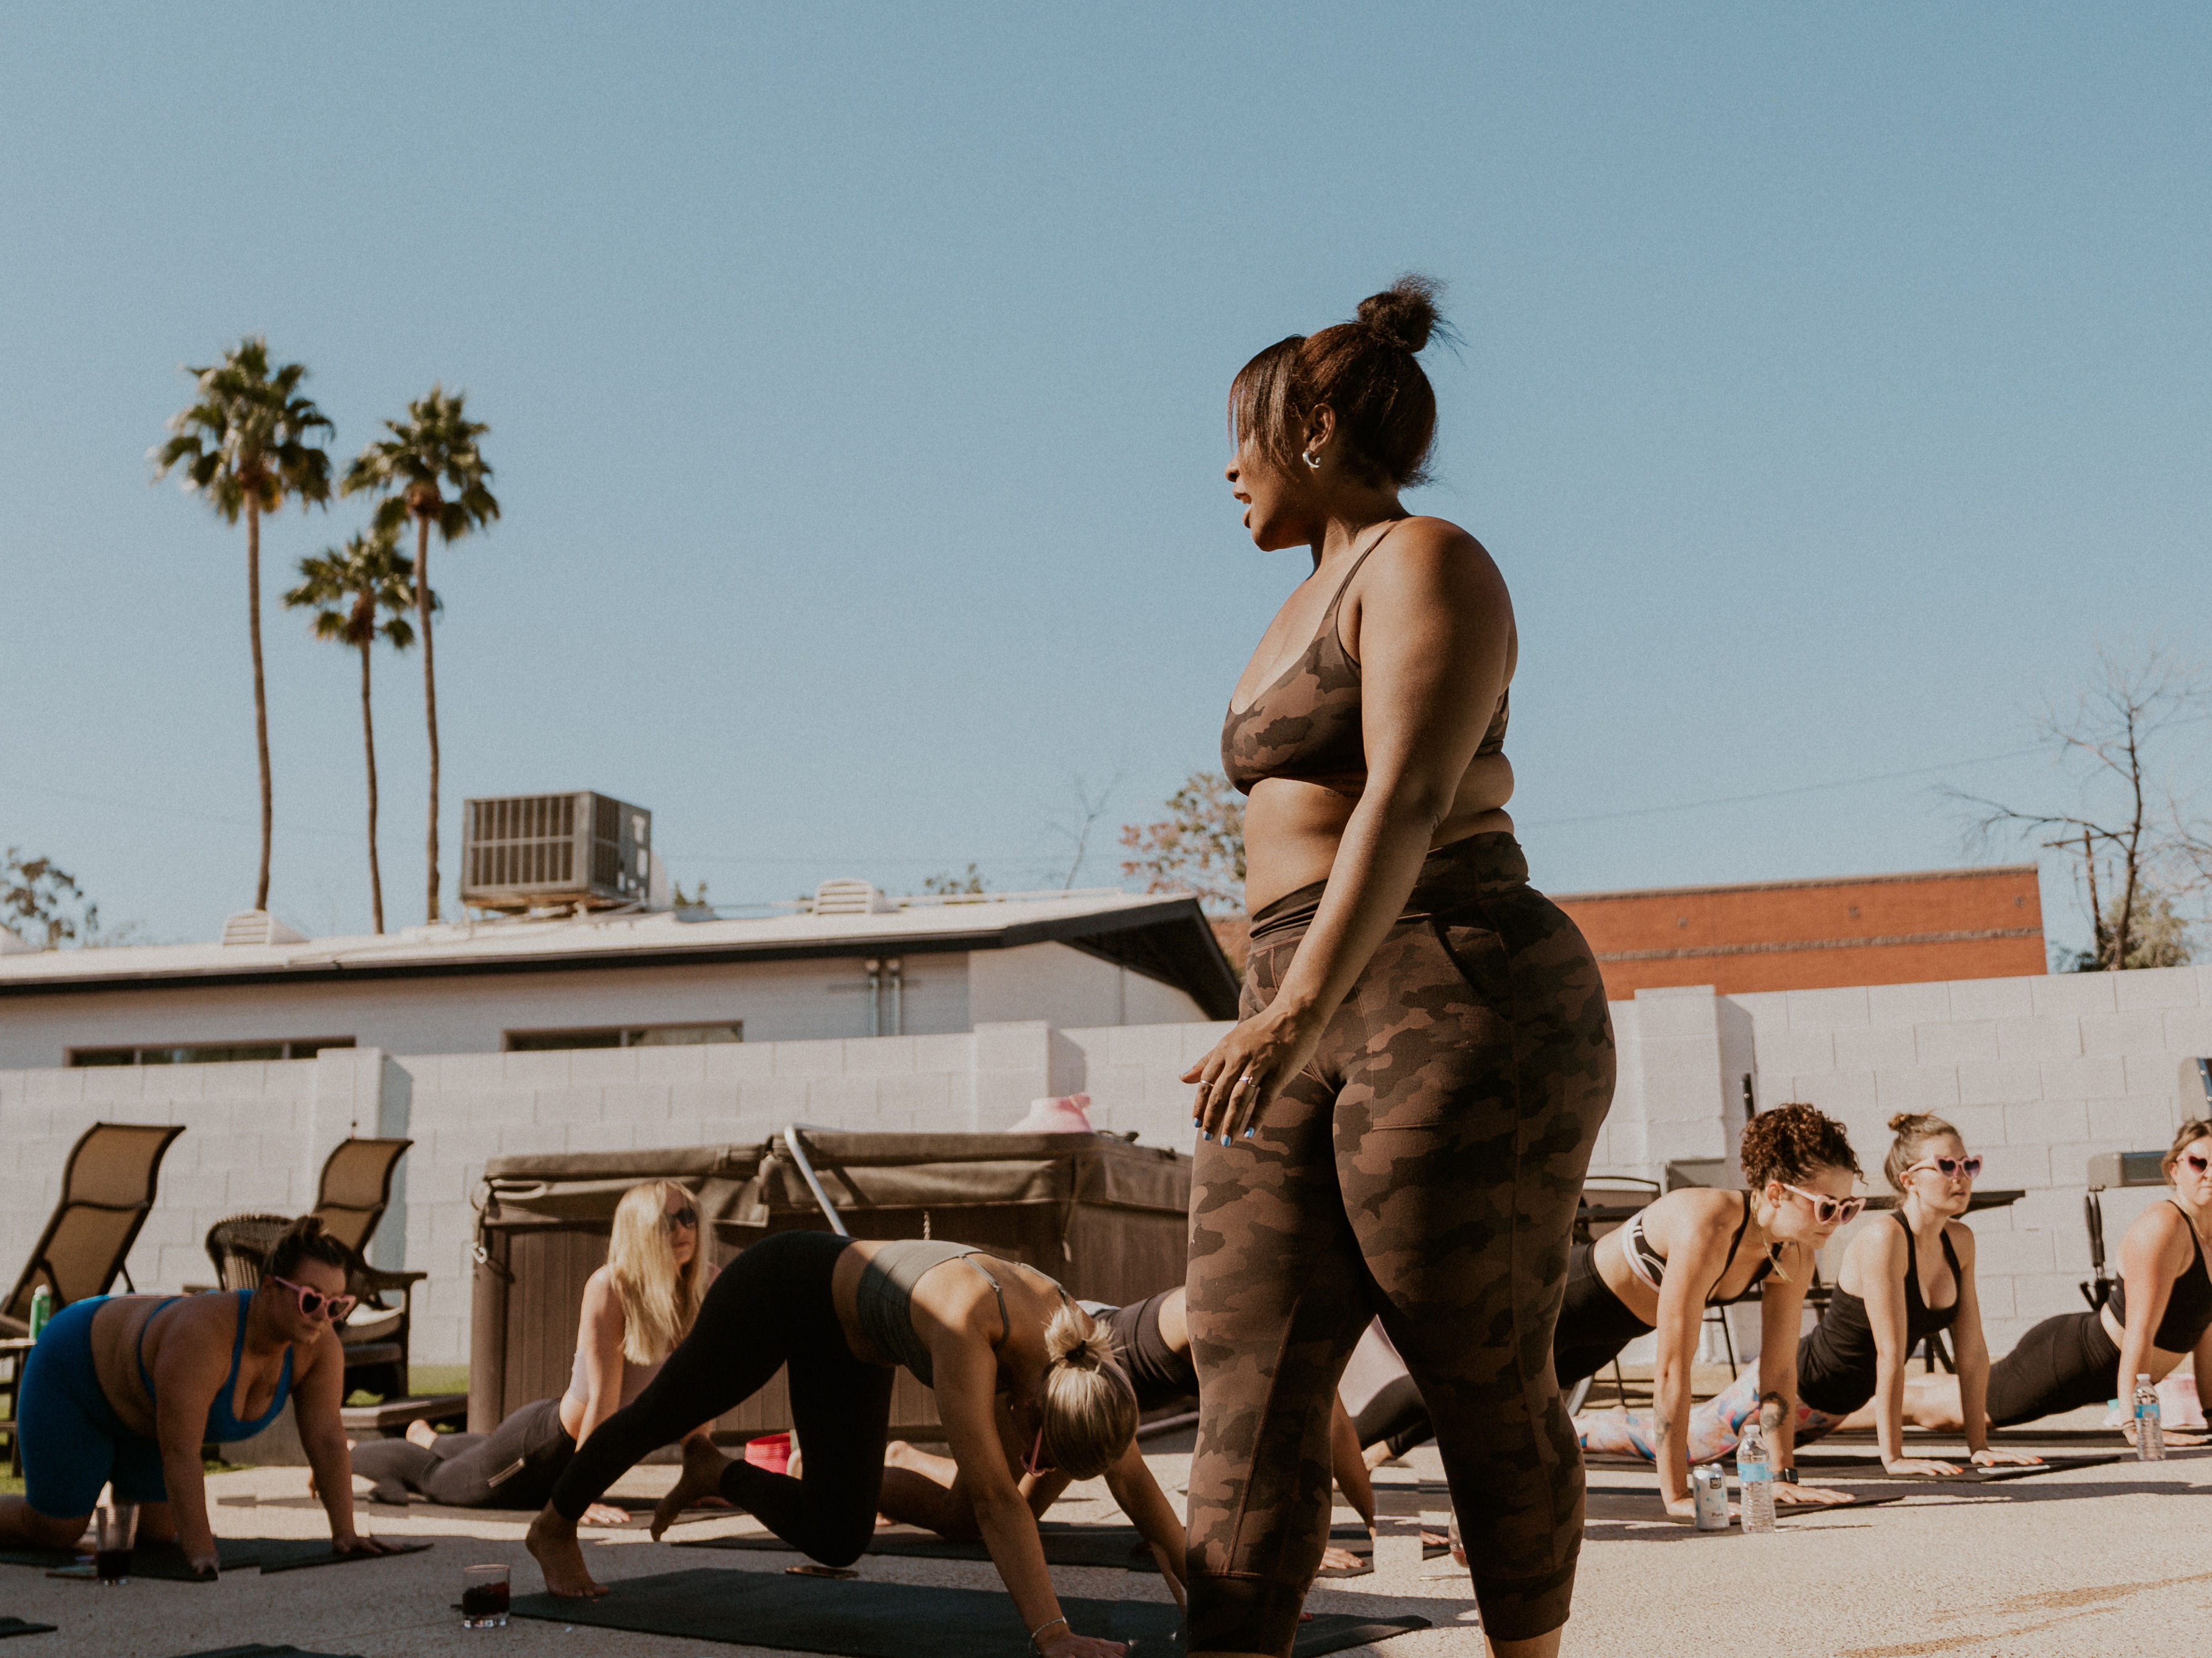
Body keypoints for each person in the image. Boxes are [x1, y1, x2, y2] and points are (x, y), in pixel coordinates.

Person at [1178, 277, 1614, 1658]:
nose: (1222, 466)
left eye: (1236, 434)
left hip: (1451, 981)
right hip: (1290, 1003)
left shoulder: (1426, 559)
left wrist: (1297, 1002)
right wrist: (1275, 1005)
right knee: (1241, 1368)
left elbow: (1407, 797)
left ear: (1309, 425)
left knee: (1480, 1370)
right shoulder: (1300, 592)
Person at [523, 1232, 1176, 1658]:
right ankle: (554, 1524)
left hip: (850, 1339)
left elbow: (1133, 1478)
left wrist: (1206, 1591)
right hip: (783, 1287)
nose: (1041, 1467)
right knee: (662, 1412)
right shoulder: (970, 1321)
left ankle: (714, 1471)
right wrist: (1052, 1634)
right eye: (1043, 1452)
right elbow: (993, 1501)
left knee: (838, 1538)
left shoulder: (1085, 1359)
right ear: (1032, 1404)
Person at [0, 1215, 403, 1572]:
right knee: (57, 1530)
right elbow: (182, 1453)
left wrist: (345, 1533)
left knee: (155, 1534)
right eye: (310, 1298)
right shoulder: (204, 1335)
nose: (322, 1315)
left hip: (143, 1413)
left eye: (337, 1305)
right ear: (268, 1288)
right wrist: (201, 1554)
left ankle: (106, 1489)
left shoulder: (319, 1347)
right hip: (75, 1371)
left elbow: (325, 1438)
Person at [1627, 1113, 2040, 1476]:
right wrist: (1892, 1458)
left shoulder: (1960, 1241)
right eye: (1946, 1165)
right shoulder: (1885, 1238)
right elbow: (1889, 1352)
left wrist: (1978, 1447)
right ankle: (1589, 1425)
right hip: (1795, 1390)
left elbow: (1971, 1354)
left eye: (1968, 1165)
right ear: (1908, 1180)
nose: (1960, 1176)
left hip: (1837, 1408)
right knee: (1662, 1443)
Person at [878, 1285, 1380, 1572]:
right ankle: (845, 1477)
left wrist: (1375, 1529)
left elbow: (1334, 1434)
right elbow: (1230, 1454)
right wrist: (1281, 1543)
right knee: (976, 1519)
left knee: (1011, 1511)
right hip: (1072, 1382)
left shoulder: (1295, 1344)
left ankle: (910, 1459)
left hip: (1096, 1408)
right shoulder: (1225, 1316)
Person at [1563, 1106, 1867, 1513]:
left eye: (1849, 1208)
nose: (1837, 1222)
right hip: (1553, 1307)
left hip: (1604, 1339)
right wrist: (1676, 1495)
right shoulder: (1706, 1224)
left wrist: (1780, 1475)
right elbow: (1673, 1367)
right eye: (1827, 1207)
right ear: (1776, 1193)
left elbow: (1777, 1370)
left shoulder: (1793, 1254)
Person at [353, 1180, 719, 1513]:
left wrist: (699, 1476)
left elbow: (701, 1394)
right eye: (665, 1222)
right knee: (437, 1479)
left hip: (573, 1443)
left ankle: (428, 1436)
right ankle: (345, 1456)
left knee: (474, 1455)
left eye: (688, 1217)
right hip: (544, 1451)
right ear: (640, 1232)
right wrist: (578, 1496)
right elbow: (602, 1402)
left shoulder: (707, 1285)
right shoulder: (611, 1287)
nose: (682, 1229)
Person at [1958, 1119, 2212, 1443]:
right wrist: (2137, 1425)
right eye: (2198, 1162)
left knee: (1956, 1393)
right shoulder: (2164, 1226)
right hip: (2072, 1361)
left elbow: (2207, 1332)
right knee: (1955, 1412)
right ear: (2175, 1170)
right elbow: (2140, 1332)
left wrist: (2211, 1416)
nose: (2209, 1172)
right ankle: (1873, 1399)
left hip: (2101, 1372)